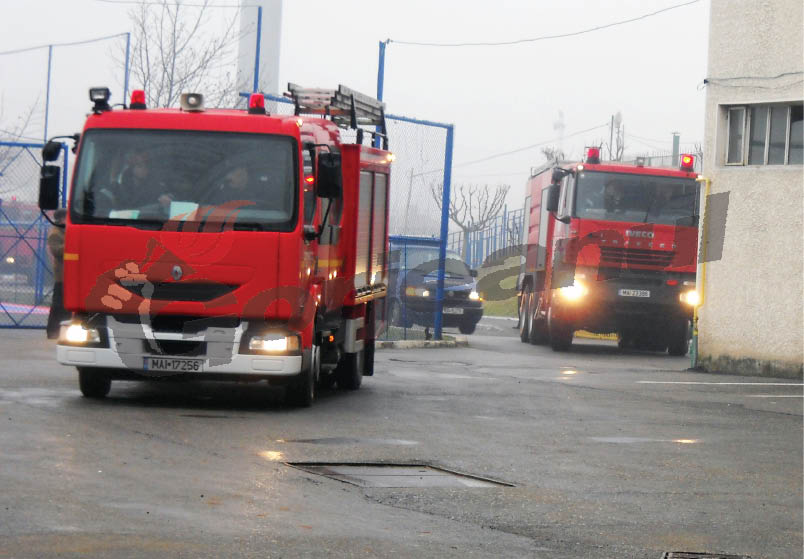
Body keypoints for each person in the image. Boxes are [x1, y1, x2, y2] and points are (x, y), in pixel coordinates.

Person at [46, 209, 70, 339]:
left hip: (69, 274)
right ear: (61, 219)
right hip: (61, 275)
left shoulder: (65, 231)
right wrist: (72, 243)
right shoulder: (56, 232)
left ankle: (62, 330)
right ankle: (53, 330)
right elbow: (56, 250)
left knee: (66, 305)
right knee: (58, 304)